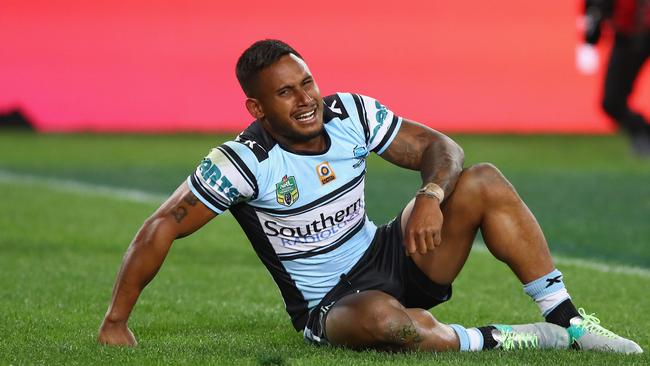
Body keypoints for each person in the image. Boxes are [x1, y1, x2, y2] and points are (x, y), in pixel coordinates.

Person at [98, 39, 642, 354]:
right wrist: (117, 321)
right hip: (332, 304)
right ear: (257, 109)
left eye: (306, 82)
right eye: (285, 93)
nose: (306, 99)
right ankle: (522, 339)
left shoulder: (349, 114)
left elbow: (438, 146)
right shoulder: (242, 163)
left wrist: (430, 193)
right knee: (389, 325)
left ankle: (569, 321)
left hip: (389, 253)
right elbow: (162, 225)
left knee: (482, 180)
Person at [577, 0, 650, 156]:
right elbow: (595, 5)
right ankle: (643, 133)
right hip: (629, 35)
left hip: (637, 30)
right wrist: (590, 39)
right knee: (612, 101)